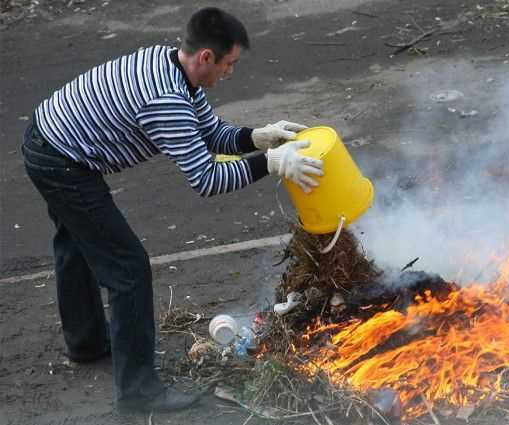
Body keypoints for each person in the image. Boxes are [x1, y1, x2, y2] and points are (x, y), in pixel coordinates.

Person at [21, 6, 323, 413]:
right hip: (62, 161)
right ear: (206, 58)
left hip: (50, 137)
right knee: (128, 269)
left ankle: (87, 341)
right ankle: (139, 394)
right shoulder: (165, 98)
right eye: (229, 65)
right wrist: (269, 165)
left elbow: (210, 133)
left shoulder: (170, 63)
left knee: (77, 242)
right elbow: (207, 180)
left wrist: (258, 138)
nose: (230, 73)